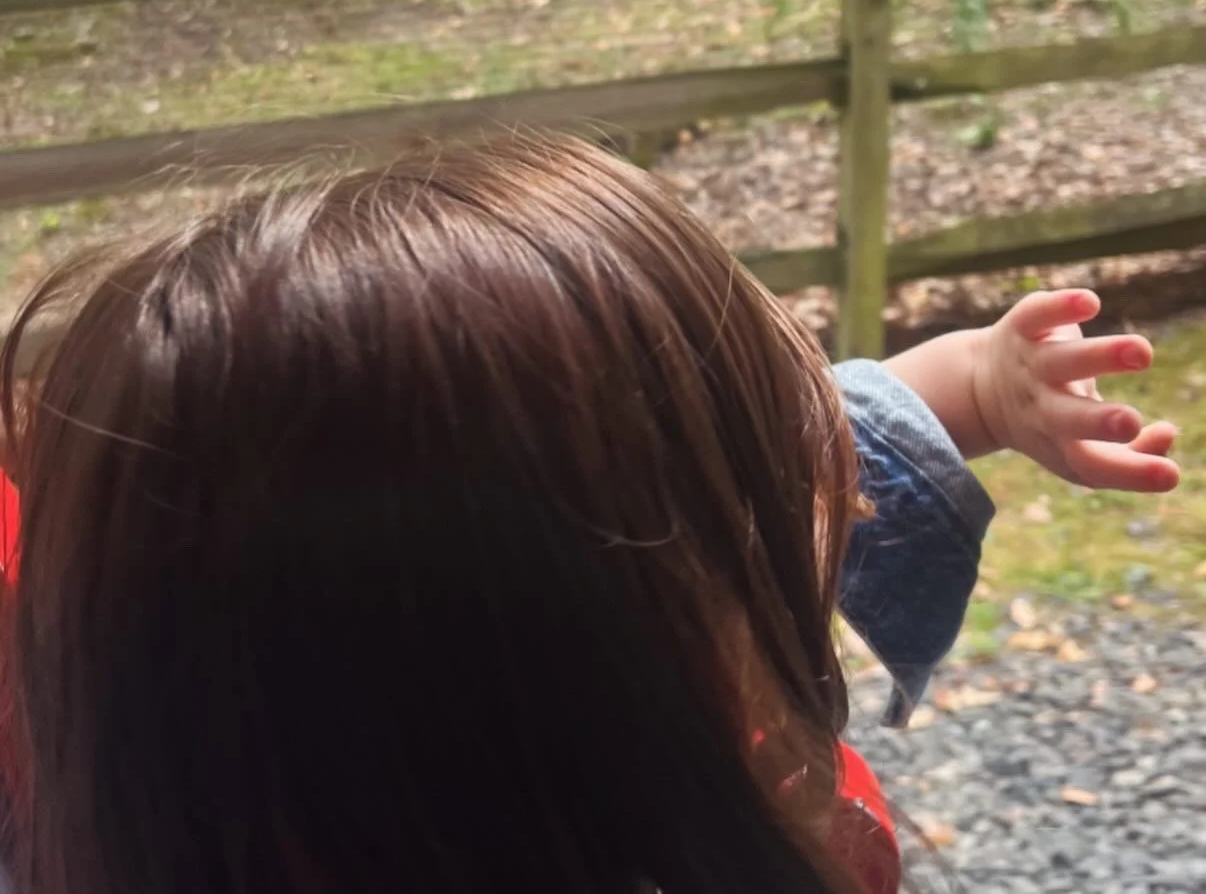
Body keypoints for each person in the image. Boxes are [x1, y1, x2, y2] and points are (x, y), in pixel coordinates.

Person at [0, 135, 1178, 894]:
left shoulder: (241, 745)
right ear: (593, 677)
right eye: (784, 478)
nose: (845, 474)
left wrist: (972, 382)